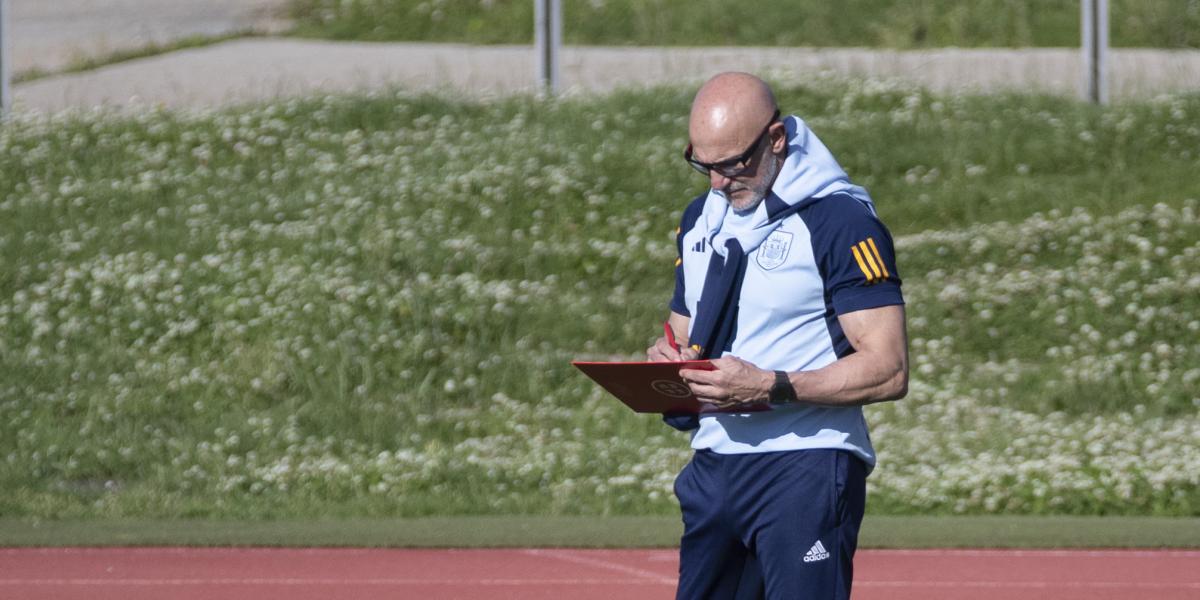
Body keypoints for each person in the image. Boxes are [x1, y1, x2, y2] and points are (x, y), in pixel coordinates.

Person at [646, 72, 909, 599]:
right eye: (703, 164)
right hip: (714, 464)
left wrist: (771, 386)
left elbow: (888, 368)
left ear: (776, 139)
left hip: (806, 462)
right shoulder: (699, 219)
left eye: (732, 164)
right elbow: (682, 334)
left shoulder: (839, 219)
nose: (717, 182)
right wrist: (663, 362)